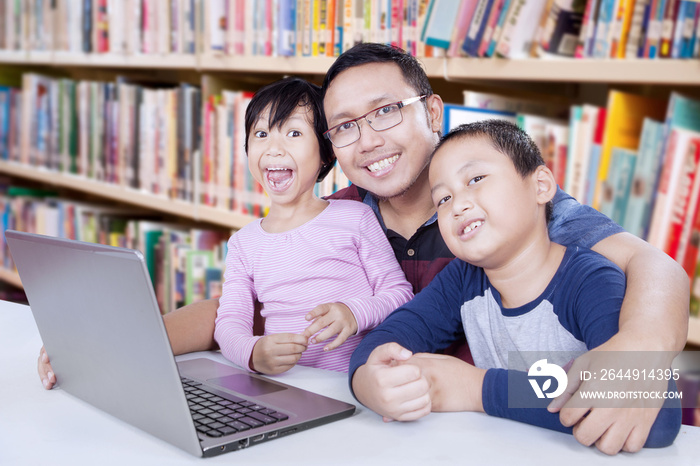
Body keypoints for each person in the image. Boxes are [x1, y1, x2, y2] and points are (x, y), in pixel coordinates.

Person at [38, 43, 689, 454]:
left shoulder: (497, 217)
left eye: (385, 112)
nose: (367, 139)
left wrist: (641, 351)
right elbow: (241, 304)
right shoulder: (339, 217)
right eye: (343, 127)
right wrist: (107, 342)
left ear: (431, 112)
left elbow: (652, 267)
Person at [349, 120, 681, 449]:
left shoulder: (591, 280)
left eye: (476, 179)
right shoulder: (462, 279)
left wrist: (476, 389)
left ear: (541, 186)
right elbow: (387, 338)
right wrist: (368, 381)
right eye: (443, 199)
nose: (458, 205)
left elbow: (656, 417)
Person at [214, 77, 413, 374]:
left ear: (326, 153)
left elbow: (399, 293)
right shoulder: (244, 243)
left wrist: (355, 313)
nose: (274, 148)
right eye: (261, 133)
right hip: (285, 386)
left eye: (293, 132)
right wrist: (252, 352)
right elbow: (229, 322)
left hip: (355, 387)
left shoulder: (355, 218)